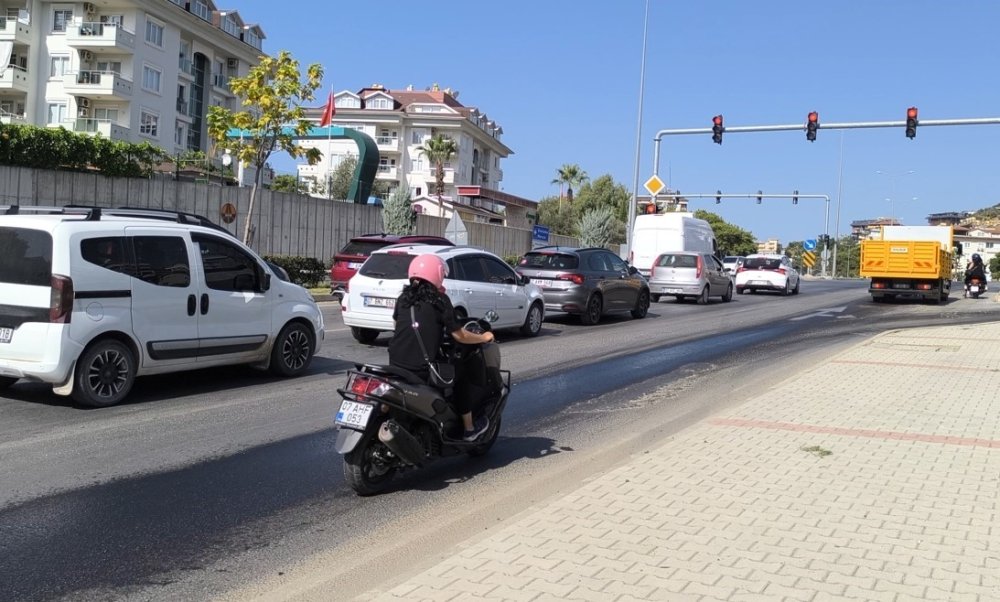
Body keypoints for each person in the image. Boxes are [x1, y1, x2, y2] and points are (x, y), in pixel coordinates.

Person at [388, 253, 495, 441]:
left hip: (395, 365)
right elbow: (459, 335)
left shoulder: (403, 299)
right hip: (421, 370)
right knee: (461, 376)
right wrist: (483, 336)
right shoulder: (439, 301)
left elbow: (397, 327)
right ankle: (469, 430)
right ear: (437, 274)